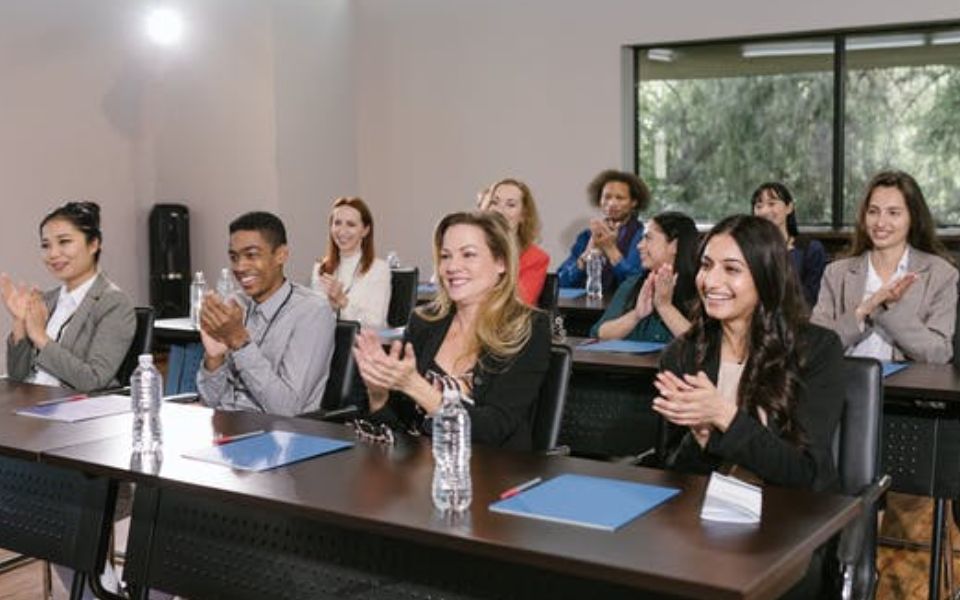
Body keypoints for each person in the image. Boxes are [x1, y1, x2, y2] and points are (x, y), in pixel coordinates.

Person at [655, 215, 844, 493]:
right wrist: (703, 438)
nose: (710, 281)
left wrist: (723, 415)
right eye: (706, 266)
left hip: (791, 517)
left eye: (731, 269)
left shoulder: (816, 349)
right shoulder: (682, 354)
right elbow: (671, 472)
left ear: (766, 275)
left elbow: (805, 474)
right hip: (705, 512)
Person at [353, 211, 551, 450]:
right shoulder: (424, 322)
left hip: (491, 476)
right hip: (419, 474)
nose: (452, 266)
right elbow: (398, 428)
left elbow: (494, 428)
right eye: (445, 256)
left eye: (468, 254)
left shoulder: (529, 328)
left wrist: (416, 386)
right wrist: (378, 393)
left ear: (501, 262)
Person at [197, 211, 336, 416]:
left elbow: (287, 410)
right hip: (225, 430)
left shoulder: (312, 312)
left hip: (278, 436)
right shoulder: (235, 305)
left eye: (251, 255)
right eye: (234, 257)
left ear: (281, 255)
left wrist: (240, 343)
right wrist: (214, 358)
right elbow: (210, 402)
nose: (240, 267)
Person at [811, 170, 958, 363]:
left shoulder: (941, 274)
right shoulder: (836, 273)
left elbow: (938, 354)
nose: (880, 222)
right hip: (843, 388)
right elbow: (815, 349)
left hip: (907, 391)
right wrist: (864, 310)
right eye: (873, 212)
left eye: (893, 213)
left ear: (912, 218)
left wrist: (892, 308)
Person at [2, 201, 135, 392]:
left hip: (75, 412)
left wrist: (40, 337)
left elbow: (94, 380)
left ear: (94, 244)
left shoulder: (113, 303)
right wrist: (20, 324)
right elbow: (17, 376)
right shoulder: (47, 300)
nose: (53, 254)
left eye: (64, 242)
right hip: (32, 405)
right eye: (46, 245)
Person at [590, 212, 698, 342]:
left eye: (648, 238)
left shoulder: (701, 288)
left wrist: (664, 306)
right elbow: (600, 332)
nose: (639, 245)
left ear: (674, 245)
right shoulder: (635, 283)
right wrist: (636, 315)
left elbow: (701, 346)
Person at [557, 169, 650, 293]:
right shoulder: (587, 235)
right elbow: (561, 282)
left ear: (634, 202)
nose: (612, 203)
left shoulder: (643, 235)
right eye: (607, 197)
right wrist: (587, 255)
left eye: (620, 198)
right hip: (584, 308)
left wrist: (610, 249)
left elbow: (635, 284)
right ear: (599, 201)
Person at [311, 197, 391, 328]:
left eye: (351, 224)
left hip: (362, 345)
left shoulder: (379, 269)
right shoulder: (320, 268)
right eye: (337, 223)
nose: (342, 231)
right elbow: (315, 320)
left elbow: (376, 323)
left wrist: (343, 301)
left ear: (365, 230)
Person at [751, 182, 827, 306]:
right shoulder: (748, 249)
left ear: (789, 207)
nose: (764, 211)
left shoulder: (811, 249)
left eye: (771, 204)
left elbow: (812, 298)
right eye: (759, 206)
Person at [479, 178, 549, 305]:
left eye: (510, 205)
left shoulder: (535, 258)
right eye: (494, 202)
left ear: (523, 215)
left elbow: (518, 305)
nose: (499, 211)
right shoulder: (466, 250)